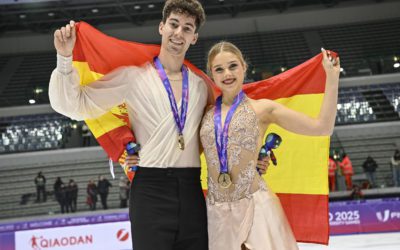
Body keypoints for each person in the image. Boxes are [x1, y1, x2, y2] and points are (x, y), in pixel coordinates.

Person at [49, 0, 268, 249]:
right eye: (174, 24)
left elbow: (223, 135)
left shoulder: (201, 86)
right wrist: (65, 57)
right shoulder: (132, 78)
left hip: (191, 190)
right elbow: (74, 105)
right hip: (150, 191)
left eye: (187, 28)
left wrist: (253, 159)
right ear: (161, 27)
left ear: (194, 37)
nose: (179, 33)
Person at [200, 41, 339, 250]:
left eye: (232, 66)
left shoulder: (263, 109)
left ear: (244, 67)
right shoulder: (203, 114)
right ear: (211, 74)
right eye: (219, 69)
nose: (227, 73)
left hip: (257, 208)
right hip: (216, 214)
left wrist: (332, 78)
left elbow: (322, 127)